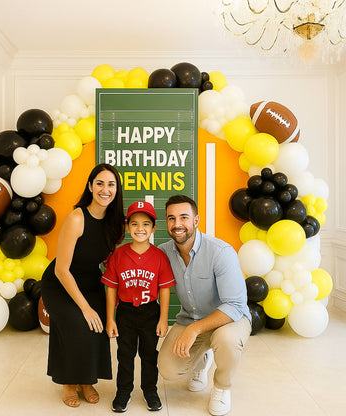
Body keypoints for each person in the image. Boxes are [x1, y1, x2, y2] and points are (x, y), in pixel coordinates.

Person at [157, 195, 251, 416]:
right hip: (191, 317)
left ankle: (221, 387)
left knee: (226, 340)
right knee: (168, 370)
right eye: (171, 218)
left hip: (229, 320)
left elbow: (235, 305)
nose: (177, 224)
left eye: (183, 217)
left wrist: (195, 329)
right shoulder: (163, 252)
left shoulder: (220, 252)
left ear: (196, 220)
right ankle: (203, 360)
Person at [41, 163, 125, 408]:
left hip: (90, 281)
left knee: (97, 326)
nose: (105, 189)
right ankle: (69, 382)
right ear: (90, 186)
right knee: (80, 322)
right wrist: (86, 307)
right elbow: (61, 269)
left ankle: (86, 380)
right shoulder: (77, 218)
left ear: (117, 190)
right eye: (99, 183)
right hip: (60, 283)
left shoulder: (115, 223)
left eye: (111, 184)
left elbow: (108, 261)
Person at [102, 201, 176, 413]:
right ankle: (123, 391)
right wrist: (110, 318)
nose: (140, 229)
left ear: (154, 228)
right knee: (124, 355)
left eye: (146, 224)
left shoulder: (159, 257)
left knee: (149, 355)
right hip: (125, 312)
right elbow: (111, 289)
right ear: (127, 227)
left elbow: (164, 290)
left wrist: (163, 319)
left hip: (150, 312)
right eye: (134, 224)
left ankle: (150, 390)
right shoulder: (118, 254)